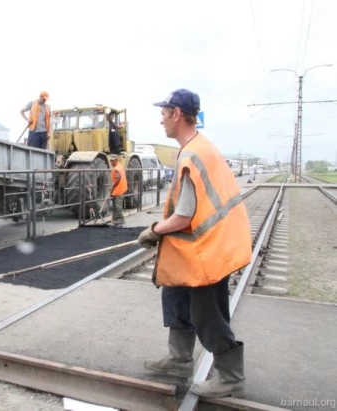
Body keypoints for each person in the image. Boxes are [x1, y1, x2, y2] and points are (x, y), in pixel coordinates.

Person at [137, 89, 252, 399]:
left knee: (208, 314)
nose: (160, 118)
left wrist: (154, 230)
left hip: (209, 248)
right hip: (199, 245)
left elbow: (185, 216)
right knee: (175, 295)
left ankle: (230, 376)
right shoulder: (195, 148)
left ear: (177, 114)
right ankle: (179, 359)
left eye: (163, 112)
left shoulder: (192, 154)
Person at [109, 155, 127, 227]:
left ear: (116, 160)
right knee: (116, 204)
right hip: (121, 188)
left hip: (119, 189)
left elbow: (118, 178)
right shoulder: (120, 166)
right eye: (111, 161)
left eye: (112, 161)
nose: (111, 163)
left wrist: (113, 186)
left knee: (117, 205)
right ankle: (115, 219)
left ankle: (120, 219)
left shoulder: (116, 168)